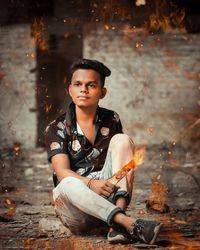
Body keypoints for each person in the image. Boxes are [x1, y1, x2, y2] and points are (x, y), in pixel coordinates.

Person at [44, 58, 162, 244]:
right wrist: (91, 184)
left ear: (102, 92)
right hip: (76, 210)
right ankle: (127, 223)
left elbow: (121, 168)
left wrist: (104, 185)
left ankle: (116, 225)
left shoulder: (111, 119)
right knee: (66, 182)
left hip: (107, 199)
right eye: (78, 84)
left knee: (123, 140)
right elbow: (61, 171)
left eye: (91, 85)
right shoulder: (56, 127)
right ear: (70, 90)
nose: (84, 89)